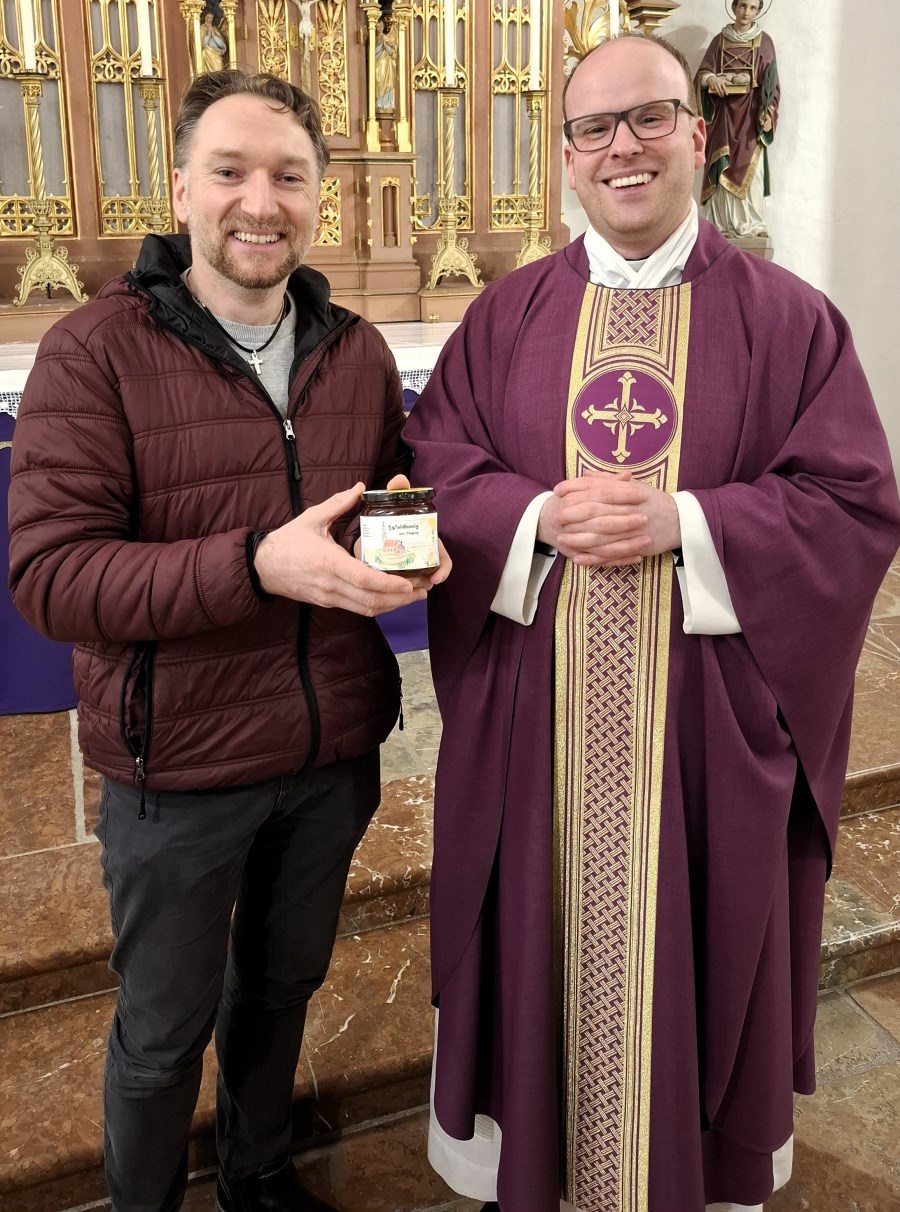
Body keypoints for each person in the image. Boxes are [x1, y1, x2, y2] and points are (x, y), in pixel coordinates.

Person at [403, 32, 899, 1212]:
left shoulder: (791, 320)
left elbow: (852, 505)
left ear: (698, 134)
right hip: (539, 733)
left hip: (707, 740)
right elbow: (437, 470)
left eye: (649, 119)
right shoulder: (502, 318)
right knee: (538, 942)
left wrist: (689, 522)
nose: (621, 147)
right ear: (566, 156)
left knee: (697, 946)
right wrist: (531, 516)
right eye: (593, 128)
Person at [8, 69, 449, 1212]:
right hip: (181, 769)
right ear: (181, 187)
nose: (262, 201)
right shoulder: (91, 352)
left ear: (322, 198)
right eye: (232, 171)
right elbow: (51, 577)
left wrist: (417, 544)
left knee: (283, 988)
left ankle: (256, 1173)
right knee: (162, 1031)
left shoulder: (353, 350)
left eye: (290, 176)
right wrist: (254, 563)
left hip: (329, 751)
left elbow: (394, 495)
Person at [695, 0, 779, 238]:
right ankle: (721, 226)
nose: (746, 12)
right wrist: (711, 79)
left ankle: (751, 224)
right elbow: (702, 74)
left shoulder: (765, 42)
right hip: (723, 117)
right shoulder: (719, 41)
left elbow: (771, 86)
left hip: (750, 117)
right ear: (733, 7)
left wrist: (768, 114)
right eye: (742, 6)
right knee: (723, 165)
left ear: (759, 11)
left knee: (750, 170)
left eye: (753, 8)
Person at [374, 16, 399, 114]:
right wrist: (381, 46)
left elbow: (393, 53)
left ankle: (387, 103)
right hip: (378, 64)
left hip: (387, 63)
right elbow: (372, 53)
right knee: (379, 81)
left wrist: (386, 46)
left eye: (380, 26)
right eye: (377, 27)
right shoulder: (374, 39)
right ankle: (379, 102)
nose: (379, 28)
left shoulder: (387, 38)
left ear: (383, 26)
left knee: (387, 83)